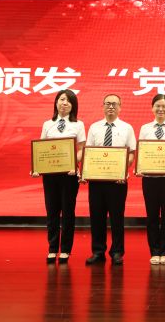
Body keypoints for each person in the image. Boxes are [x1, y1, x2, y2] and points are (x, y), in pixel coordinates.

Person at [33, 89, 86, 264]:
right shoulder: (47, 124)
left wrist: (73, 163)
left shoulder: (78, 125)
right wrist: (37, 167)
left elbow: (81, 149)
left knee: (68, 212)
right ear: (56, 102)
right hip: (50, 175)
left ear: (73, 105)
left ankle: (65, 250)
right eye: (61, 99)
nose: (64, 103)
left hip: (69, 175)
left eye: (68, 101)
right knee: (52, 211)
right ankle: (52, 248)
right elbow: (41, 149)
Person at [84, 94, 136, 266]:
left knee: (117, 217)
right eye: (108, 104)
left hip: (117, 182)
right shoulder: (94, 127)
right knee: (96, 217)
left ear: (120, 107)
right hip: (97, 181)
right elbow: (89, 153)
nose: (111, 107)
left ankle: (117, 252)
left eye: (114, 104)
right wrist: (86, 172)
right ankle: (98, 251)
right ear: (103, 106)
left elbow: (131, 154)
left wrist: (122, 171)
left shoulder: (127, 128)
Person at [137, 94, 165, 265]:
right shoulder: (145, 128)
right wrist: (140, 167)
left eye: (164, 106)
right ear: (152, 108)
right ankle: (154, 251)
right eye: (157, 106)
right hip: (149, 178)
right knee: (152, 215)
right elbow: (142, 151)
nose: (161, 109)